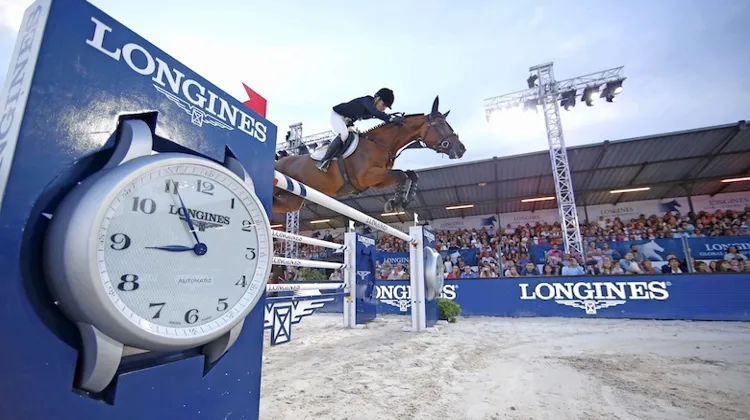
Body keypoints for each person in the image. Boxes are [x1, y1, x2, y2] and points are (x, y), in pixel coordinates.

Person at [316, 88, 405, 172]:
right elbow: (377, 113)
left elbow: (379, 114)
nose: (384, 108)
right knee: (344, 134)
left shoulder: (372, 110)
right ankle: (323, 161)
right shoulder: (366, 101)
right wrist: (390, 119)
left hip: (347, 121)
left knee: (356, 137)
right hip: (337, 116)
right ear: (377, 99)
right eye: (384, 105)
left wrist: (393, 118)